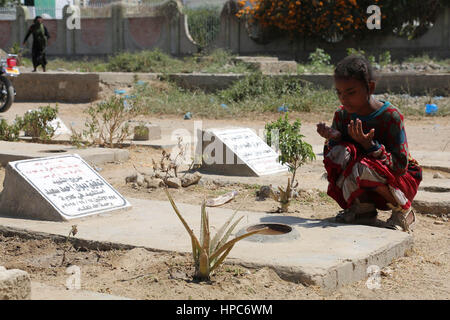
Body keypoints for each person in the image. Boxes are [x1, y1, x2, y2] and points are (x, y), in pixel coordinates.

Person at [316, 55, 422, 232]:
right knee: (339, 154)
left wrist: (371, 146)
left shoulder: (390, 116)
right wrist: (335, 137)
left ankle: (403, 211)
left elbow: (400, 166)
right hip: (367, 178)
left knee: (362, 166)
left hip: (400, 182)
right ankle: (363, 209)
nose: (344, 99)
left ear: (370, 87)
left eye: (351, 92)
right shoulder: (342, 115)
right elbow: (338, 156)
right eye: (339, 93)